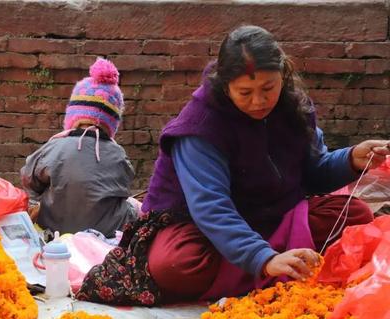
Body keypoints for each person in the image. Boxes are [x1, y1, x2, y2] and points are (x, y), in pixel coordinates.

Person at [141, 25, 390, 301]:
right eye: (245, 93)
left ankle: (264, 262)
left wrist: (351, 160)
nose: (259, 101)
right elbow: (210, 207)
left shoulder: (294, 108)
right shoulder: (200, 127)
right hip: (200, 226)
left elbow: (313, 172)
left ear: (283, 75)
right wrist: (263, 258)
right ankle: (268, 265)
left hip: (269, 215)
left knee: (356, 215)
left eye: (268, 88)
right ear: (226, 87)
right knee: (173, 266)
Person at [20, 57, 138, 238]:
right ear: (111, 123)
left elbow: (28, 176)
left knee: (37, 201)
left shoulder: (54, 147)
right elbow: (124, 185)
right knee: (134, 206)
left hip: (54, 229)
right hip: (106, 233)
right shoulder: (117, 154)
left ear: (73, 116)